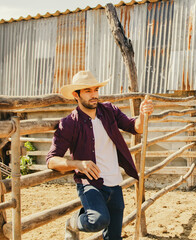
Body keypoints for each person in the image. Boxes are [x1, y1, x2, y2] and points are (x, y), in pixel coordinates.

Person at [46, 70, 153, 240]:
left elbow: (136, 128)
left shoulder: (109, 110)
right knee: (98, 220)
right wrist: (77, 164)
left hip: (115, 183)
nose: (94, 95)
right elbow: (51, 160)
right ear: (76, 95)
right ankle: (73, 223)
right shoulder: (68, 124)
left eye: (96, 90)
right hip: (90, 184)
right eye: (88, 91)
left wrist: (142, 114)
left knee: (114, 238)